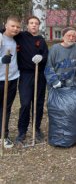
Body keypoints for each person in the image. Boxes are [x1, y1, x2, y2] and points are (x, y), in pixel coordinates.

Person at [14, 16, 48, 145]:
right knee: (26, 103)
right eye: (31, 23)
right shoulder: (20, 36)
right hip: (26, 74)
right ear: (27, 25)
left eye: (36, 24)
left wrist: (42, 57)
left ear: (39, 26)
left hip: (39, 75)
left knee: (38, 103)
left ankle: (36, 128)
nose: (34, 25)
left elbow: (46, 55)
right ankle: (22, 131)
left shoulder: (41, 40)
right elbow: (6, 31)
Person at [0, 16, 21, 148]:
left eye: (18, 27)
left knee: (6, 109)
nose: (15, 29)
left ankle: (3, 136)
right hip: (0, 79)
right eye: (12, 26)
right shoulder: (0, 38)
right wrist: (2, 60)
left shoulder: (15, 40)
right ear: (5, 25)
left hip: (12, 79)